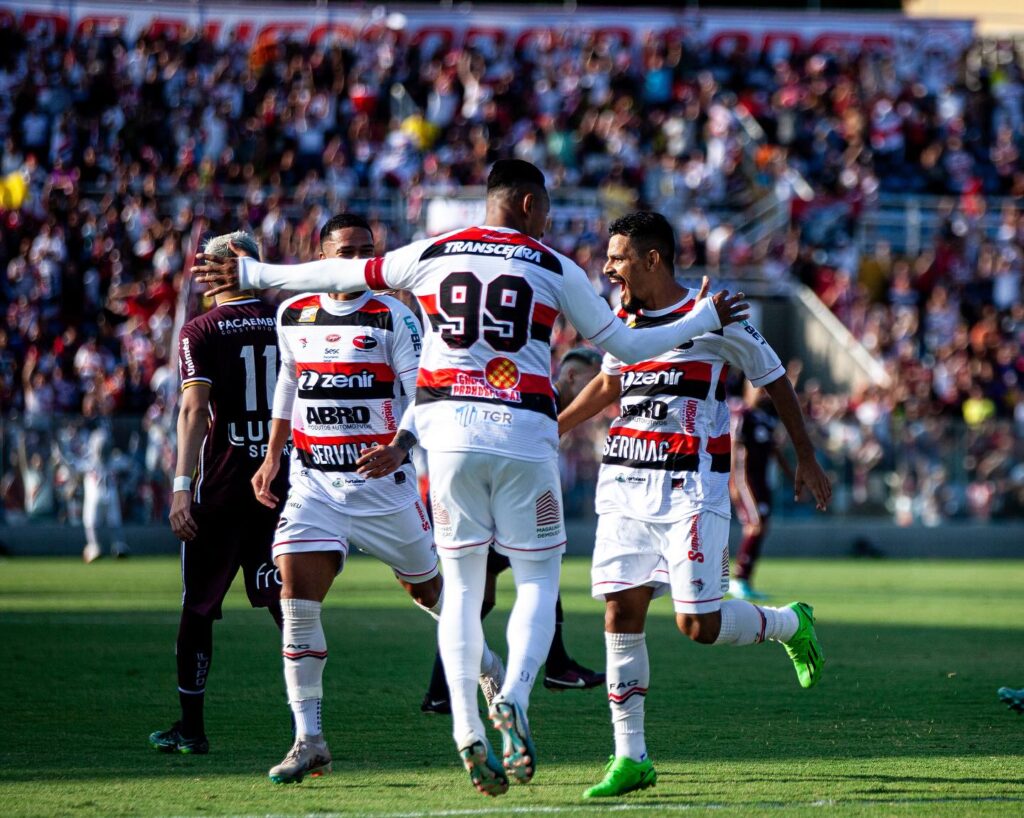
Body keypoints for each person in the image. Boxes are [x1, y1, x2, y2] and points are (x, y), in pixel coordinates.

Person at [193, 159, 749, 797]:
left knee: (459, 592)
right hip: (523, 437)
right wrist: (704, 320)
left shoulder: (431, 252)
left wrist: (255, 273)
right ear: (530, 205)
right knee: (538, 580)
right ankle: (513, 695)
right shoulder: (552, 265)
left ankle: (466, 730)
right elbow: (629, 350)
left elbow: (339, 273)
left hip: (448, 439)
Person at [557, 211, 832, 799]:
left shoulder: (718, 313)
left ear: (653, 259)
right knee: (619, 613)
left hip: (692, 489)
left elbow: (775, 377)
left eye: (618, 257)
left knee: (698, 625)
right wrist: (557, 425)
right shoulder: (621, 321)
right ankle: (631, 757)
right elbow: (609, 382)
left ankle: (790, 623)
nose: (607, 268)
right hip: (626, 486)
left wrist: (805, 457)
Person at [249, 213, 502, 784]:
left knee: (432, 595)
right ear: (322, 254)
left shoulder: (393, 316)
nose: (359, 260)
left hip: (384, 490)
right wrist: (272, 456)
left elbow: (423, 392)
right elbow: (289, 382)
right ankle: (309, 738)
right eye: (347, 250)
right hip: (314, 485)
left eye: (368, 250)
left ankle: (488, 668)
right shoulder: (295, 311)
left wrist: (401, 445)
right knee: (296, 597)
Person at [150, 231, 288, 755]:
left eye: (206, 268)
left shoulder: (201, 330)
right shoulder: (287, 320)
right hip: (282, 485)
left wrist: (181, 487)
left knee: (199, 608)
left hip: (224, 491)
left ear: (219, 272)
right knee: (289, 607)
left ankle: (192, 728)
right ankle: (309, 726)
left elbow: (192, 411)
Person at [419, 346, 607, 716]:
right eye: (592, 379)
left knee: (480, 601)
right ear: (572, 376)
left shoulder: (547, 401)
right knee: (536, 569)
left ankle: (440, 694)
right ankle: (557, 668)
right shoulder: (540, 400)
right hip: (487, 509)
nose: (596, 389)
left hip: (486, 504)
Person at [728, 380, 796, 600]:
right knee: (755, 525)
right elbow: (733, 447)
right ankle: (738, 579)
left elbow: (775, 452)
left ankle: (745, 579)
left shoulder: (765, 419)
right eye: (759, 388)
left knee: (761, 527)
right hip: (745, 480)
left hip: (762, 481)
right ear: (748, 390)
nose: (764, 392)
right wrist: (732, 481)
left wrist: (793, 476)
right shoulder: (743, 416)